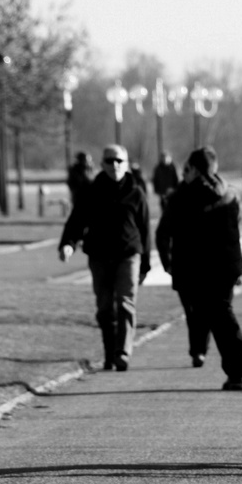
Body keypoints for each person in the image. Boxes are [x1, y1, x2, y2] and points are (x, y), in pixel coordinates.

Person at [156, 146, 242, 390]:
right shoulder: (228, 193)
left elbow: (164, 232)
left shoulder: (184, 196)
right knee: (222, 314)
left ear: (194, 170)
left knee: (218, 317)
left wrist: (168, 262)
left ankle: (241, 366)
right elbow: (234, 233)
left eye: (186, 169)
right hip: (227, 266)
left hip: (199, 269)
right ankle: (236, 371)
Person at [59, 144, 151, 371]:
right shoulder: (91, 191)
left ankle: (123, 352)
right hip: (99, 256)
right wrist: (68, 244)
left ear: (126, 164)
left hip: (128, 255)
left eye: (119, 161)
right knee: (104, 307)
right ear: (102, 165)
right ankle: (110, 353)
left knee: (126, 303)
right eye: (110, 161)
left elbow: (145, 229)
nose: (115, 165)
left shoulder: (136, 193)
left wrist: (146, 263)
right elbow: (76, 220)